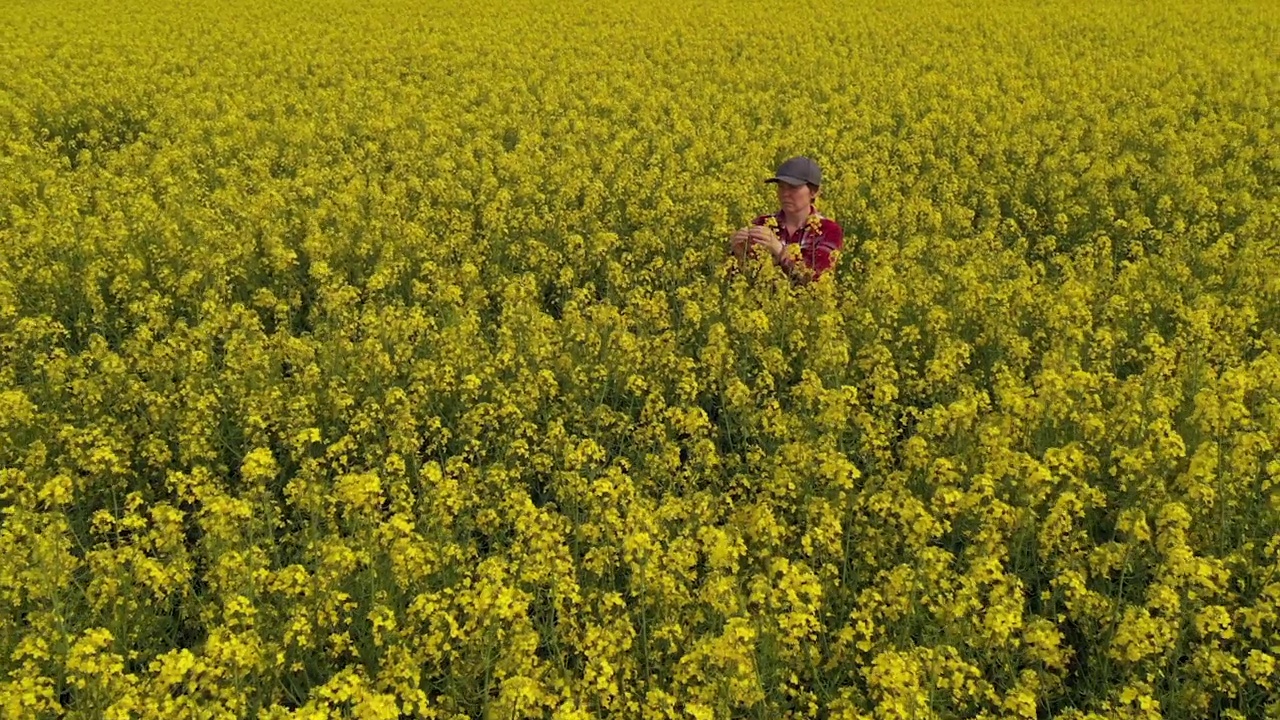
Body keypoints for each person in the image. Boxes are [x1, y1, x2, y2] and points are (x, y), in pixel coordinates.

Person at [729, 156, 844, 283]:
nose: (785, 193)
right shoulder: (761, 224)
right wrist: (739, 256)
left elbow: (817, 277)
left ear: (814, 192)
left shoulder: (828, 230)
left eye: (793, 187)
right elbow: (738, 282)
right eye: (781, 187)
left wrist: (779, 250)